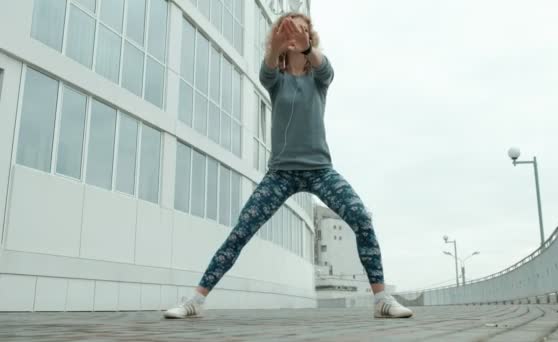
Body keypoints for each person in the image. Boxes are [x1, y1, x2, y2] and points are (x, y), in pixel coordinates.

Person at [164, 12, 413, 319]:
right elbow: (265, 70)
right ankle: (194, 301)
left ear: (311, 38)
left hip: (320, 170)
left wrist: (307, 47)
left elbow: (327, 70)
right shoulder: (276, 81)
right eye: (288, 31)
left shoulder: (319, 78)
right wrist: (277, 46)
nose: (295, 35)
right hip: (281, 173)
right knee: (242, 230)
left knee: (360, 216)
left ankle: (382, 300)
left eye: (302, 31)